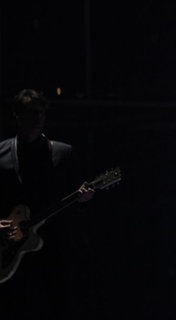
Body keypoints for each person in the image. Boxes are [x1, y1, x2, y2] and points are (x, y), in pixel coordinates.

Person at [0, 89, 95, 318]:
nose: (37, 119)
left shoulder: (62, 153)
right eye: (31, 113)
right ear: (17, 115)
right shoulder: (1, 153)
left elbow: (80, 204)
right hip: (8, 249)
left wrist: (84, 200)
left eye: (41, 113)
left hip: (52, 253)